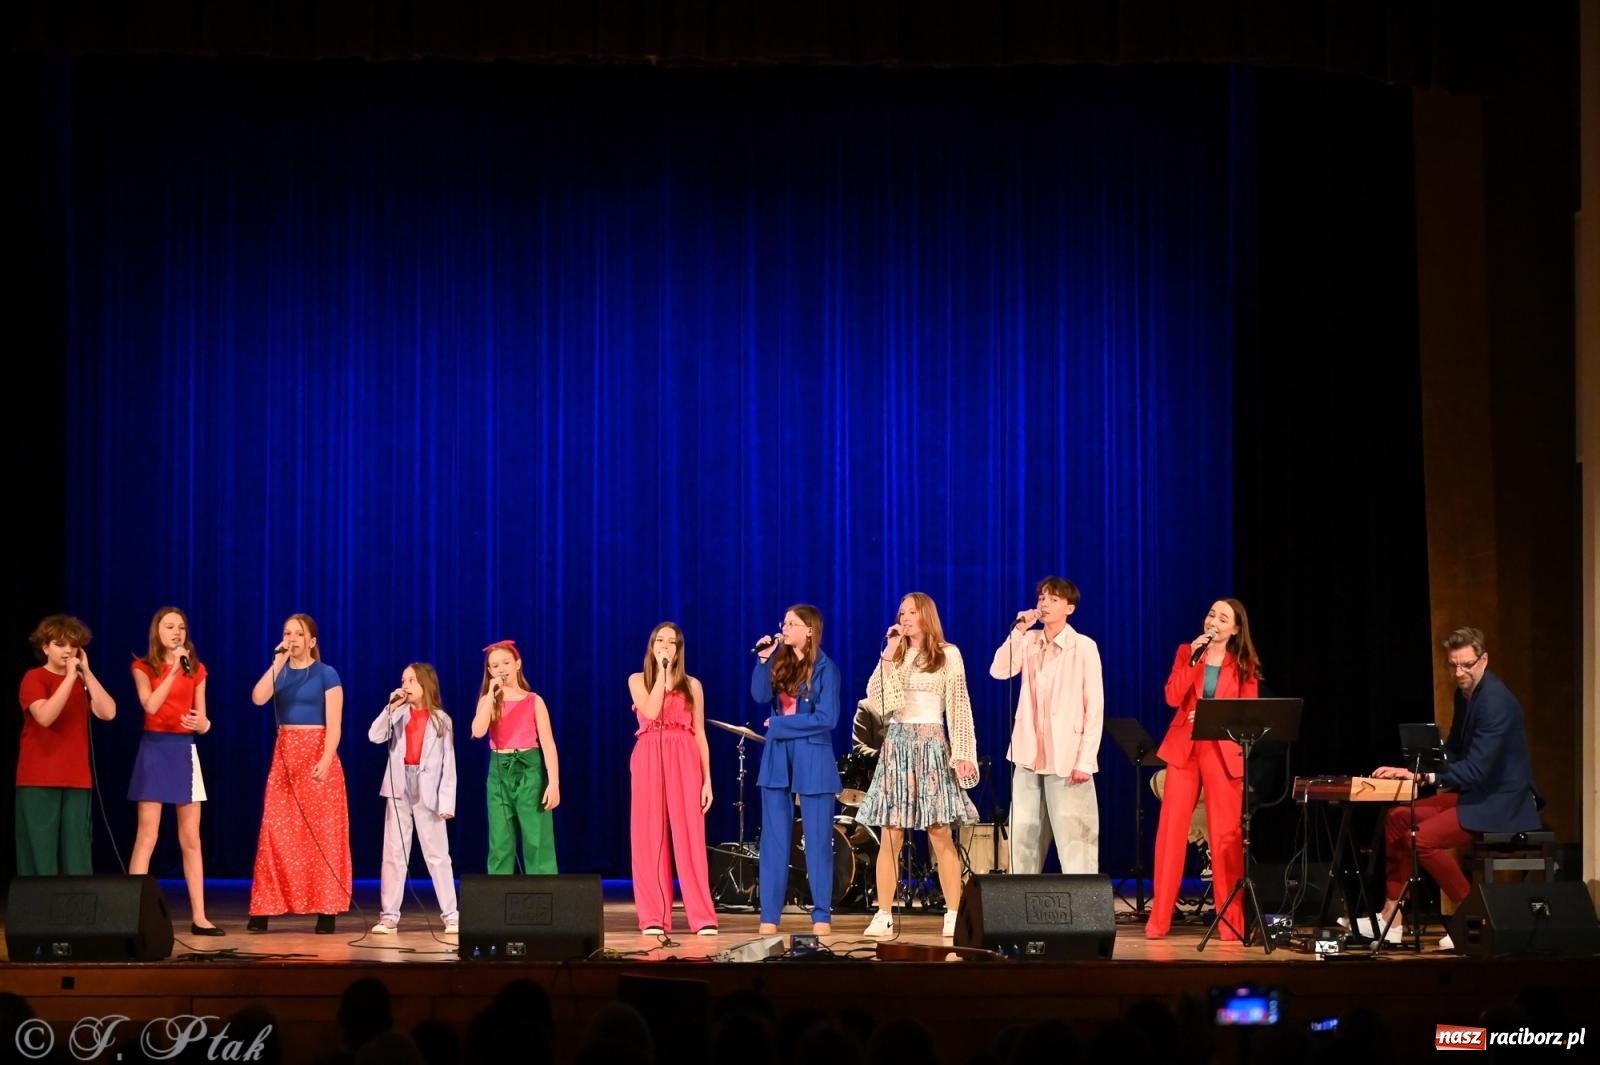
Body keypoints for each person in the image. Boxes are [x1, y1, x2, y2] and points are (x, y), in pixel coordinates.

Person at [1370, 627, 1541, 949]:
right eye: (1453, 665)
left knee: (1420, 839)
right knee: (1397, 818)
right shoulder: (1465, 694)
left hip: (1502, 801)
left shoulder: (1495, 702)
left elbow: (1476, 769)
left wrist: (1424, 778)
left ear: (1484, 660)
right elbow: (1454, 750)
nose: (1459, 672)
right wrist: (1415, 768)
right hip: (1477, 793)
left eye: (1466, 665)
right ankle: (1391, 917)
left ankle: (1472, 918)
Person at [856, 592, 979, 940]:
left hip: (931, 746)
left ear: (926, 615)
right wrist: (890, 652)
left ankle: (953, 913)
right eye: (901, 613)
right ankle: (883, 914)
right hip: (897, 746)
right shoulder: (896, 655)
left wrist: (963, 752)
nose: (905, 618)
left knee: (940, 833)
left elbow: (959, 706)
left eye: (911, 612)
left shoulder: (948, 654)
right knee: (891, 834)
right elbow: (878, 700)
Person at [1145, 597, 1261, 940]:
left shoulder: (1243, 664)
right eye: (1212, 614)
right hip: (1185, 748)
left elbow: (1249, 715)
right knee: (1170, 834)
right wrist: (1195, 660)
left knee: (1225, 835)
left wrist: (1214, 717)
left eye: (1223, 618)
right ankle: (1159, 920)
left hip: (1222, 750)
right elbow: (1172, 696)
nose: (1214, 621)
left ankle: (1231, 923)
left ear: (1235, 629)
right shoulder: (1187, 651)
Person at [989, 576, 1105, 875]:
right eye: (1042, 598)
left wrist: (1085, 759)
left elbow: (1094, 708)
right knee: (1023, 832)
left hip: (1067, 756)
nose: (1045, 604)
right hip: (1029, 752)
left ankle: (1083, 900)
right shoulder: (1029, 641)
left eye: (1054, 599)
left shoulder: (1083, 646)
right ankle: (1021, 897)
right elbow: (999, 670)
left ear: (1070, 608)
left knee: (1074, 835)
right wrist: (1018, 631)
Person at [246, 613, 352, 933]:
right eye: (287, 633)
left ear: (311, 641)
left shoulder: (326, 673)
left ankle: (326, 910)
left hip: (318, 754)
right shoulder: (279, 671)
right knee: (275, 833)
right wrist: (277, 663)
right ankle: (264, 909)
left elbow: (334, 725)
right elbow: (258, 698)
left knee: (322, 835)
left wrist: (326, 758)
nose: (291, 638)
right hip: (286, 758)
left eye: (298, 634)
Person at [127, 606, 221, 935]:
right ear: (158, 631)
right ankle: (133, 913)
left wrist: (203, 723)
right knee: (147, 835)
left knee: (191, 837)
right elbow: (150, 705)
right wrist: (172, 672)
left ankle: (200, 917)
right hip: (154, 749)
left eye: (180, 627)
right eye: (169, 627)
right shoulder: (142, 667)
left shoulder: (197, 669)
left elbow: (204, 720)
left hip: (184, 751)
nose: (176, 632)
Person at [750, 604, 841, 935]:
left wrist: (779, 726)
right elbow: (759, 695)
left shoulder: (826, 669)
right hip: (778, 757)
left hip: (813, 756)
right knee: (773, 840)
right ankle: (769, 915)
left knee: (817, 841)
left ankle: (821, 915)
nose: (784, 628)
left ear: (810, 630)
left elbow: (827, 718)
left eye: (791, 623)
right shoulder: (779, 661)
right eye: (784, 622)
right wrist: (763, 660)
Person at [628, 622, 718, 936]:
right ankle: (653, 916)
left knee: (690, 836)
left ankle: (702, 916)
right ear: (652, 646)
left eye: (672, 642)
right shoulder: (637, 680)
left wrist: (707, 780)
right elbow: (651, 711)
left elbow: (700, 734)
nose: (665, 646)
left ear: (679, 650)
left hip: (684, 754)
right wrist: (661, 676)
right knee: (648, 837)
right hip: (648, 753)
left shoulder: (693, 685)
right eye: (660, 641)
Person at [15, 614, 117, 875]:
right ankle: (38, 903)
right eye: (60, 644)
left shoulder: (82, 681)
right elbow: (45, 716)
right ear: (45, 647)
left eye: (73, 645)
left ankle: (75, 903)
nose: (68, 650)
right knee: (41, 857)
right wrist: (70, 678)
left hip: (77, 780)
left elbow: (108, 712)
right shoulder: (34, 678)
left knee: (77, 857)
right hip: (39, 780)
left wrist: (87, 674)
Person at [367, 663, 458, 935]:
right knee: (394, 853)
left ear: (425, 684)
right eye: (403, 680)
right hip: (399, 785)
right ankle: (389, 917)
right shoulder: (398, 713)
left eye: (411, 680)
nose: (405, 685)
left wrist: (447, 803)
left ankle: (451, 915)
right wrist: (390, 709)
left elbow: (448, 764)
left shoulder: (442, 720)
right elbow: (374, 735)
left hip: (427, 788)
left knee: (437, 855)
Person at [471, 639, 560, 873]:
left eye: (506, 663)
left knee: (537, 838)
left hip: (529, 770)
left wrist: (554, 783)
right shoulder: (488, 700)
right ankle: (499, 892)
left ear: (517, 664)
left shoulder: (534, 700)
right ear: (489, 671)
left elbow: (548, 743)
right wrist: (490, 695)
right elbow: (478, 731)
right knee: (500, 840)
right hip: (499, 771)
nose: (501, 669)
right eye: (495, 666)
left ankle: (543, 891)